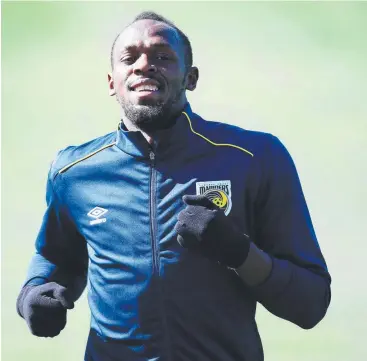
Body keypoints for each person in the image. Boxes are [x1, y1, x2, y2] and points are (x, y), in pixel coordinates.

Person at [16, 11, 332, 361]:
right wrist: (35, 293)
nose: (144, 65)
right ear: (111, 81)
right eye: (129, 57)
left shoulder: (256, 157)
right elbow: (55, 258)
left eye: (162, 56)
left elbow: (311, 303)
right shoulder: (74, 171)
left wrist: (240, 254)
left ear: (191, 78)